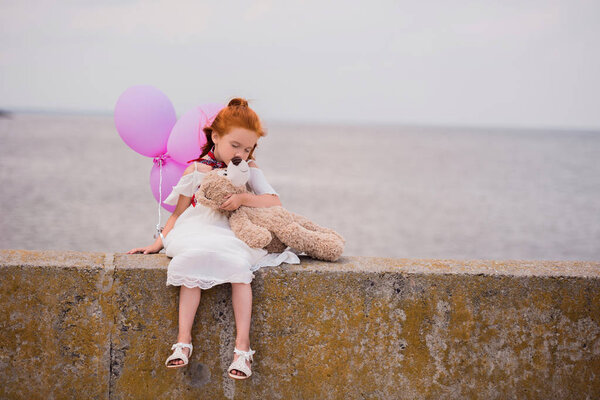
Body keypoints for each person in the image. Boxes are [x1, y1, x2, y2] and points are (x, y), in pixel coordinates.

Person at [127, 98, 299, 379]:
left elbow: (273, 201)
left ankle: (242, 349)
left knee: (239, 266)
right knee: (190, 257)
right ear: (215, 137)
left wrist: (243, 197)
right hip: (197, 227)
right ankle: (183, 342)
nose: (241, 154)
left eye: (248, 148)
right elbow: (177, 214)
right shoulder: (196, 170)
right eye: (235, 146)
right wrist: (157, 243)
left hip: (232, 229)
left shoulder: (248, 170)